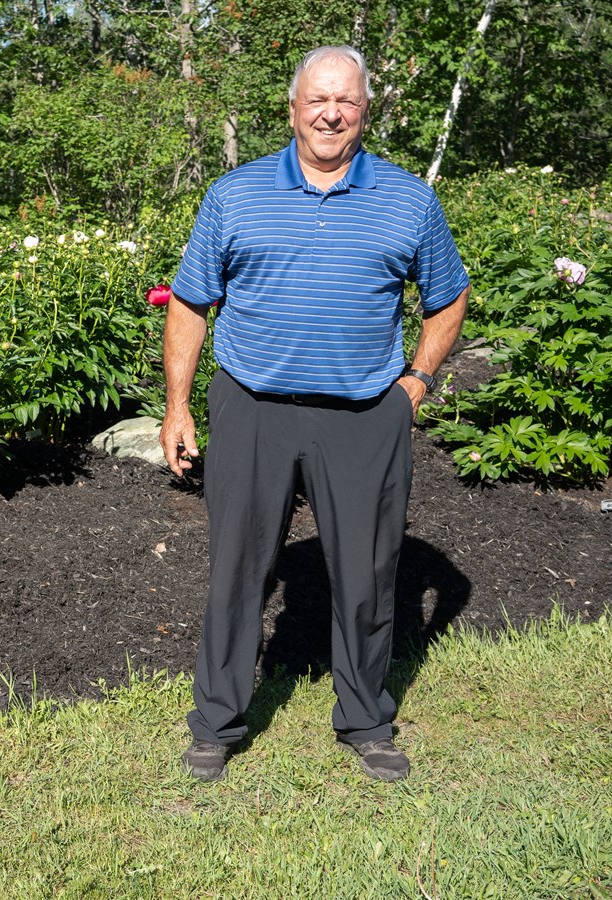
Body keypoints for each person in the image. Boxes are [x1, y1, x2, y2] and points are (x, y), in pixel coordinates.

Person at [159, 46, 469, 783]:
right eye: (318, 101)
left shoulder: (408, 201)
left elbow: (448, 294)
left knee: (367, 572)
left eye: (348, 102)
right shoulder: (234, 195)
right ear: (292, 109)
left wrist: (416, 381)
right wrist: (177, 406)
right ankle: (217, 721)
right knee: (239, 568)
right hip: (254, 406)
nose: (332, 114)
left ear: (366, 111)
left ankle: (365, 717)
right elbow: (190, 301)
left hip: (364, 413)